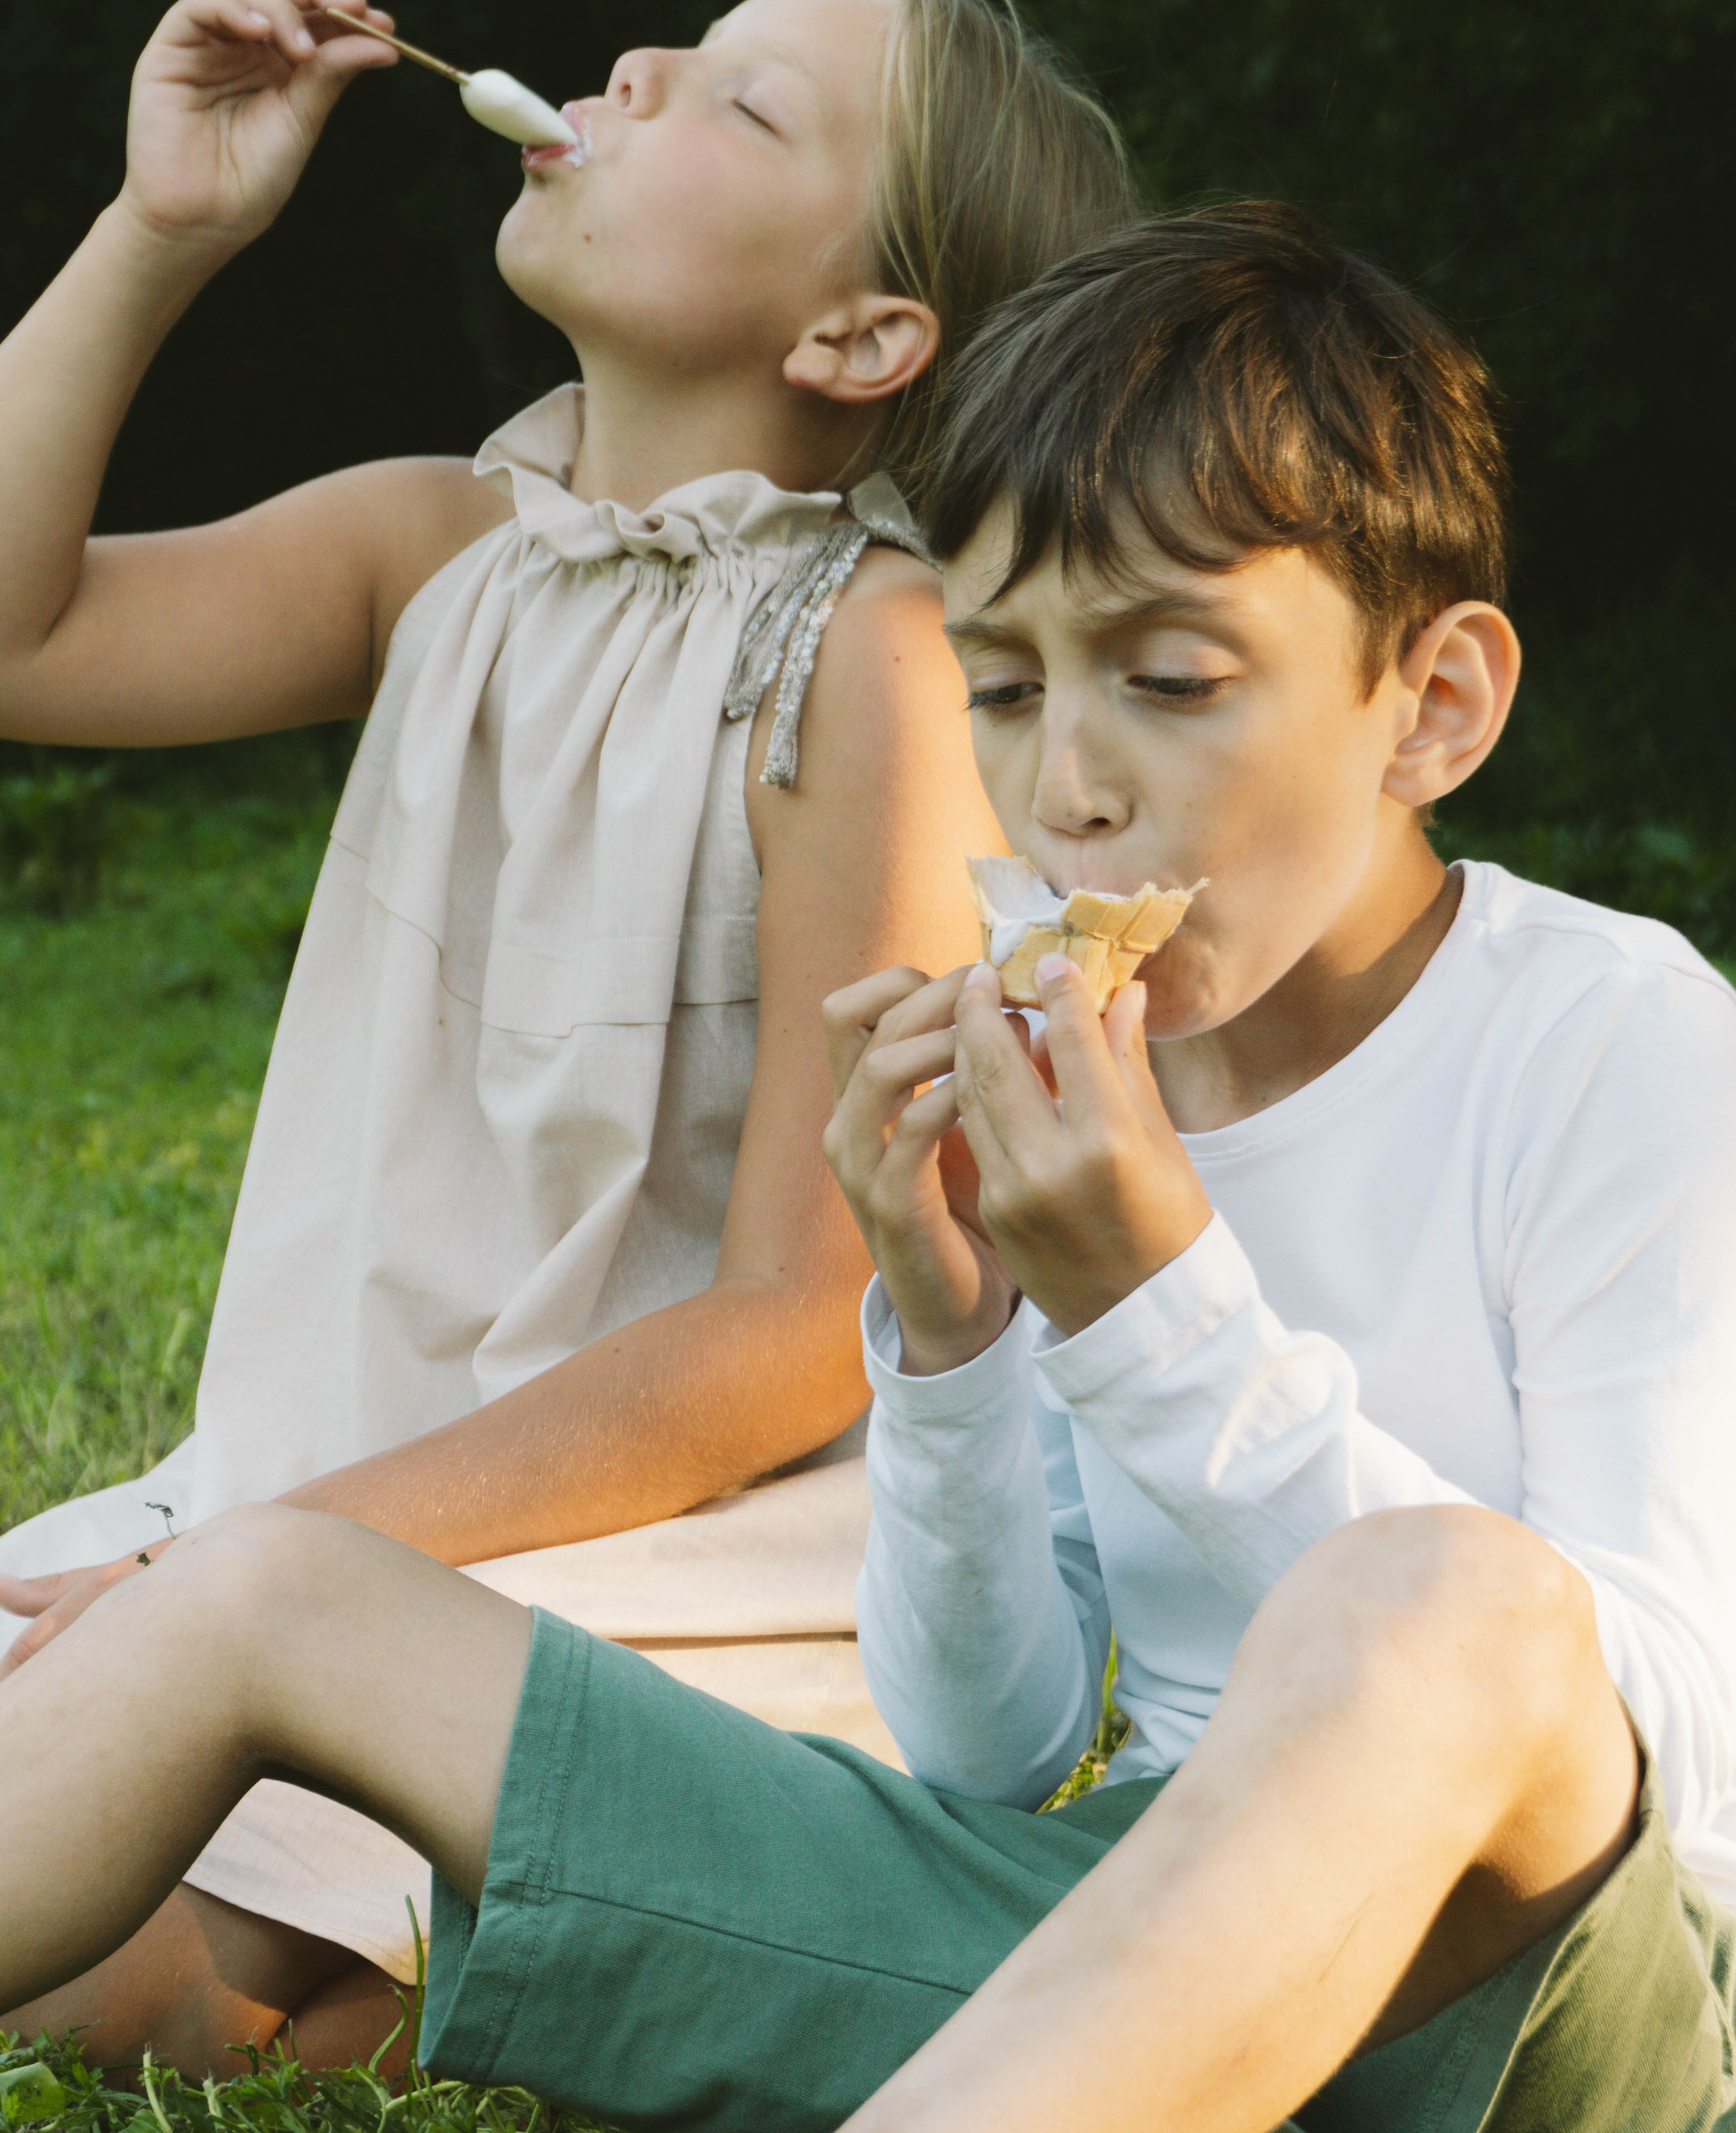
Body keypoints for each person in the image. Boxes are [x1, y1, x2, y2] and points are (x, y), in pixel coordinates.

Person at [7, 203, 1735, 2132]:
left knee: (1452, 1598)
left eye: (1170, 680)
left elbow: (1648, 1730)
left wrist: (1160, 1301)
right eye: (1005, 686)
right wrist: (953, 1340)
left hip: (1526, 2015)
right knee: (264, 1588)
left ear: (1433, 704)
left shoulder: (1613, 1034)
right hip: (1092, 1968)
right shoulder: (1083, 1089)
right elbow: (987, 1752)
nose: (1068, 781)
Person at [0, 0, 1137, 2072]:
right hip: (315, 1494)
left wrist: (269, 1559)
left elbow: (800, 1328)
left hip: (659, 1530)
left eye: (740, 102)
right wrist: (160, 234)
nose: (631, 65)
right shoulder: (441, 545)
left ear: (863, 330)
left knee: (139, 1956)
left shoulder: (862, 654)